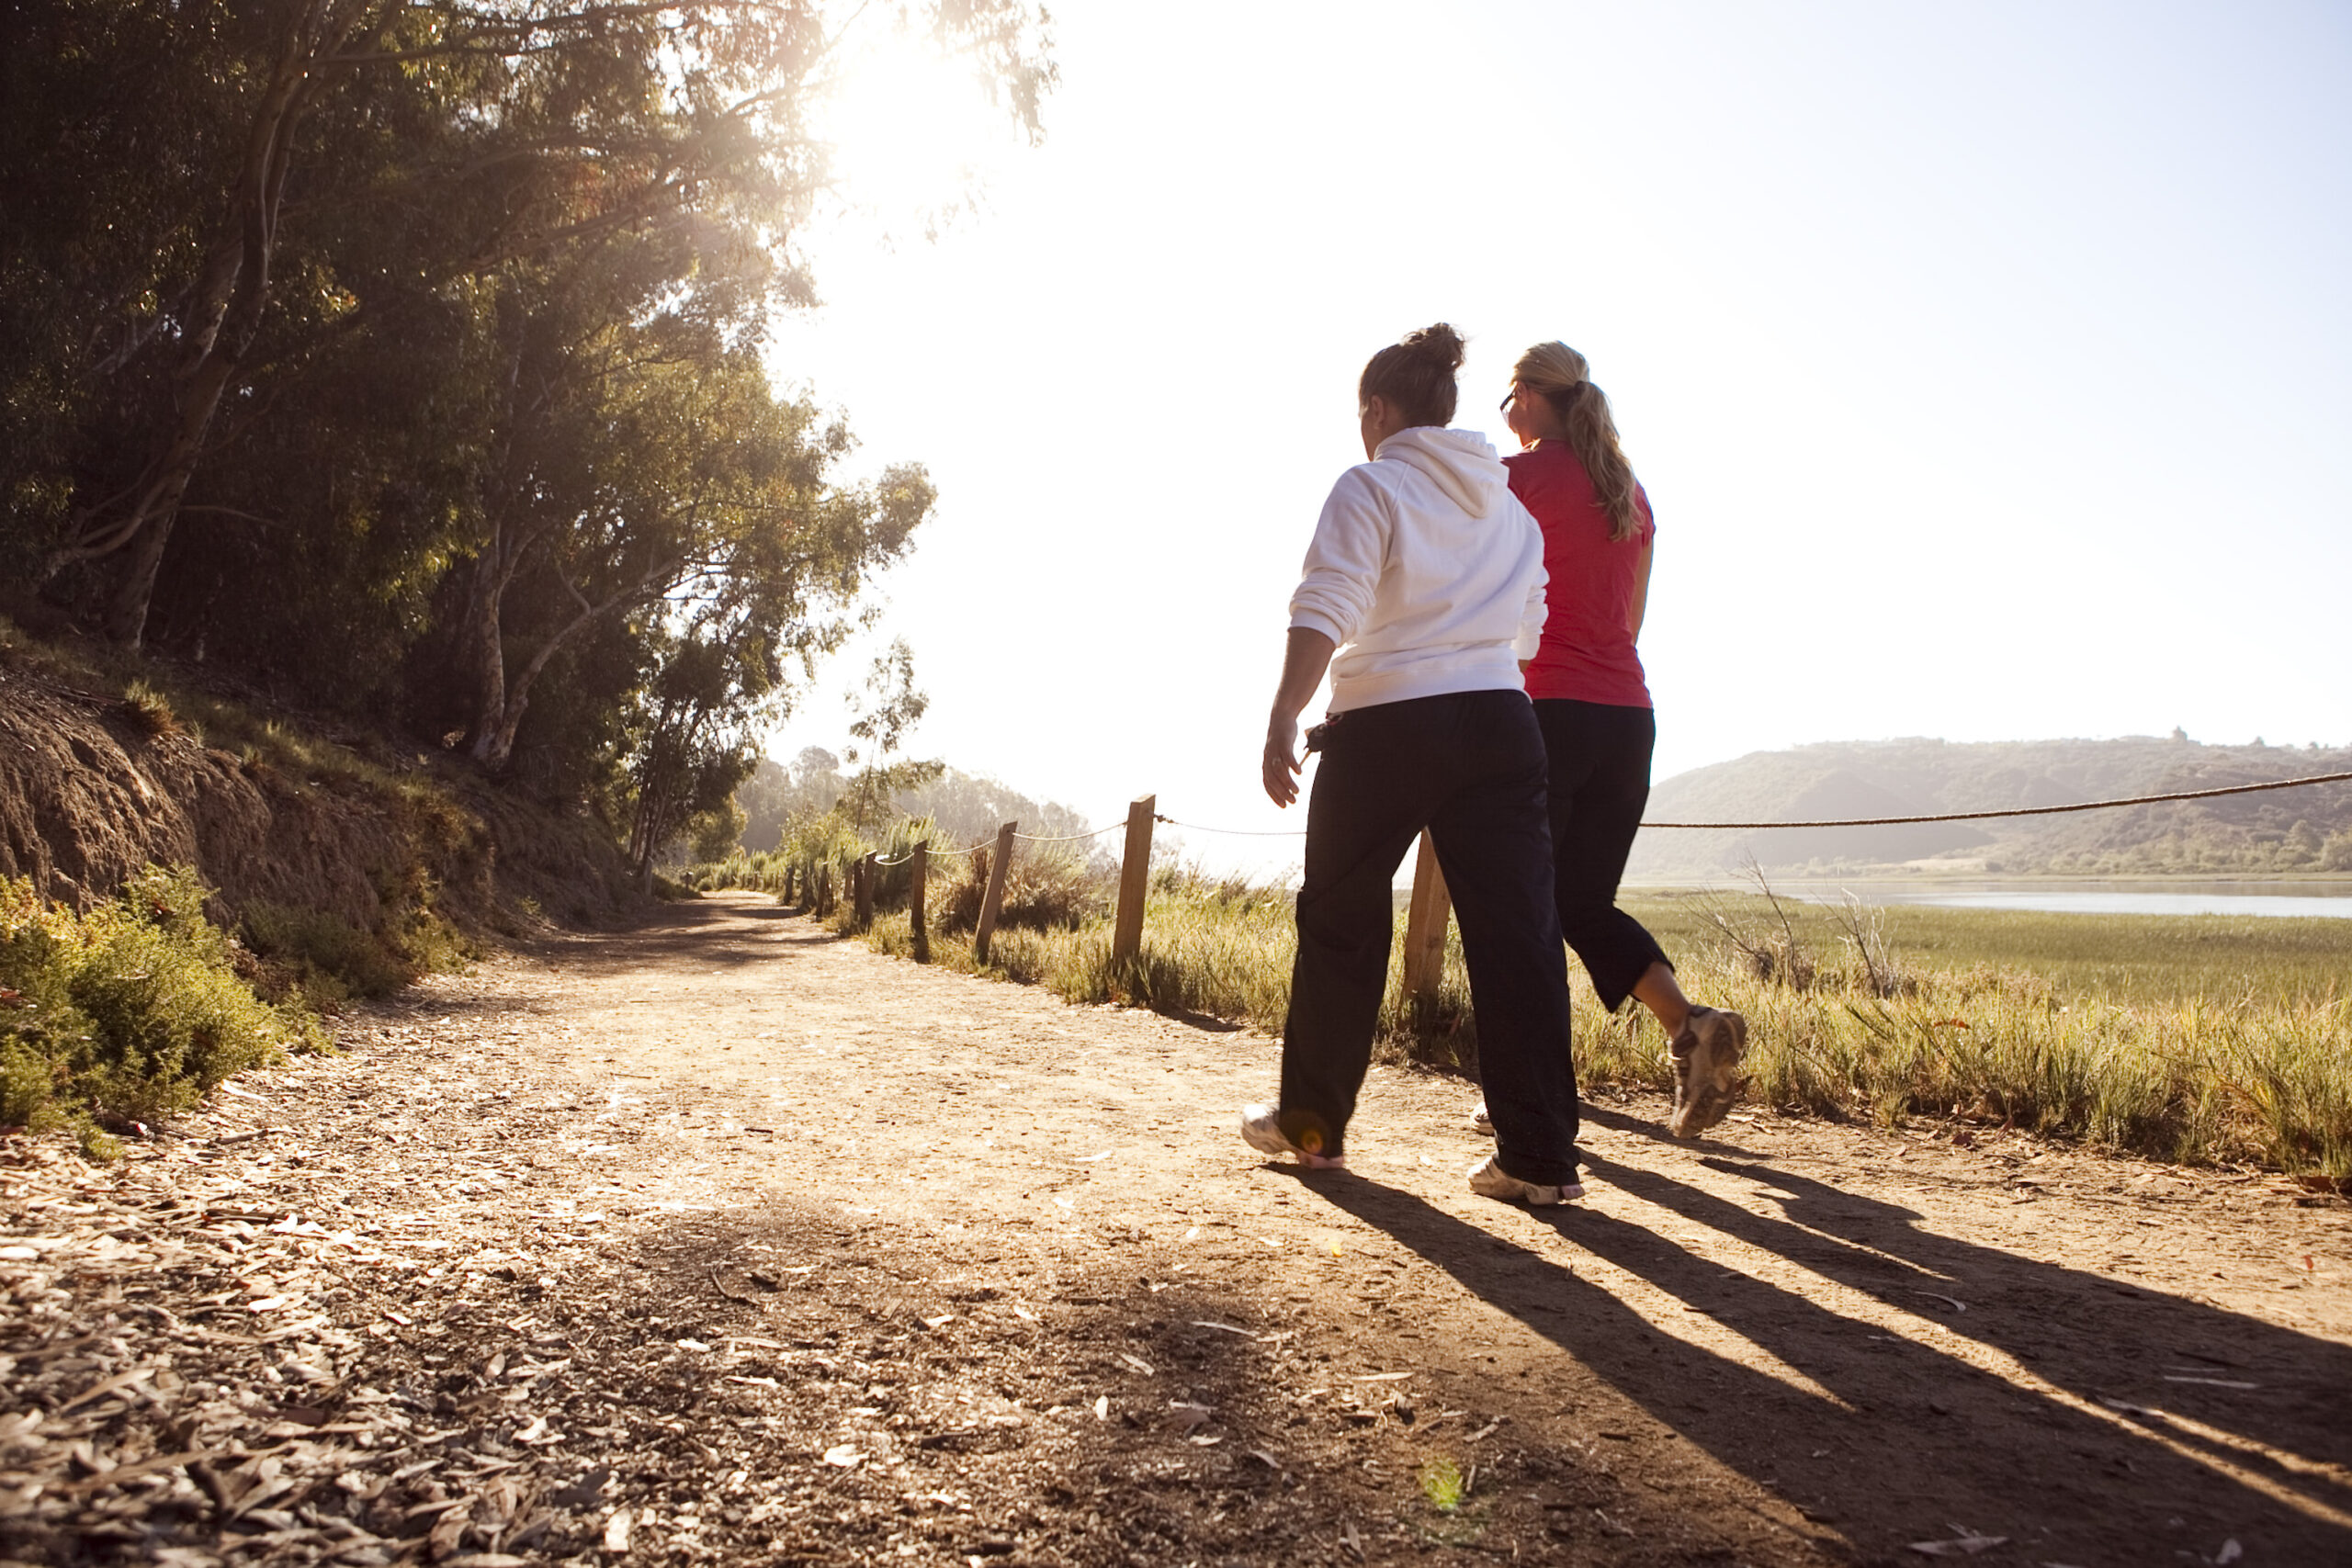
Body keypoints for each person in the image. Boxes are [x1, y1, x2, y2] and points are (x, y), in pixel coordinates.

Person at [1241, 323, 1585, 1205]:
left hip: (1386, 725)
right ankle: (1539, 1160)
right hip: (1503, 723)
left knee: (1344, 923)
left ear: (1377, 410)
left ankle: (1314, 1129)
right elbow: (1529, 631)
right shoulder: (1511, 510)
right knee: (1519, 938)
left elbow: (1329, 599)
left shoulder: (1372, 484)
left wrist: (1285, 709)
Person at [1476, 340, 1747, 1140]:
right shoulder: (1628, 489)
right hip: (1628, 717)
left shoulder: (1519, 477)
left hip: (1550, 711)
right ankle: (1691, 1026)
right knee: (1578, 902)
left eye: (1507, 400)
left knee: (1524, 907)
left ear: (1527, 396)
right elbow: (1630, 618)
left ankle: (1521, 1090)